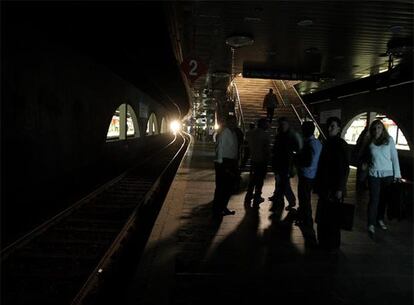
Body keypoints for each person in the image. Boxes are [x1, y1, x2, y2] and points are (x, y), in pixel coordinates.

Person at [314, 116, 349, 251]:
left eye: (332, 126)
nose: (329, 128)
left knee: (332, 217)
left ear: (339, 129)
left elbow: (343, 168)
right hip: (326, 186)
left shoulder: (339, 144)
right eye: (328, 125)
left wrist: (340, 188)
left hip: (333, 187)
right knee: (326, 215)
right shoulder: (327, 142)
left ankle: (332, 243)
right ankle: (325, 241)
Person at [362, 119, 401, 235]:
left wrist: (397, 175)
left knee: (383, 200)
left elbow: (394, 158)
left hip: (388, 175)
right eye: (374, 128)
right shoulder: (369, 142)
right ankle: (371, 224)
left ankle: (379, 219)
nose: (376, 130)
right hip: (374, 174)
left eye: (379, 127)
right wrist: (364, 164)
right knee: (374, 200)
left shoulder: (389, 140)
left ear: (383, 129)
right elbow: (364, 157)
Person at [295, 121, 322, 247]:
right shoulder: (318, 143)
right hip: (314, 175)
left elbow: (308, 162)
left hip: (306, 175)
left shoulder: (309, 144)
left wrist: (297, 159)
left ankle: (307, 222)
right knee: (305, 198)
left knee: (304, 199)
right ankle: (304, 219)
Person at [269, 117, 302, 212]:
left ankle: (290, 201)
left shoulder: (290, 136)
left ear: (287, 125)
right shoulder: (280, 135)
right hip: (280, 163)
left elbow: (296, 150)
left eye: (283, 124)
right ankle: (282, 200)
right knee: (281, 183)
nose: (282, 126)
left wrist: (292, 164)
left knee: (284, 184)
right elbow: (276, 149)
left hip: (285, 164)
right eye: (281, 124)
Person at [212, 116, 239, 216]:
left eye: (235, 122)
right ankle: (217, 209)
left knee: (228, 188)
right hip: (223, 162)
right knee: (221, 188)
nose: (234, 124)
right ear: (228, 123)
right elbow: (219, 147)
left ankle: (223, 207)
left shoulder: (234, 133)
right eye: (232, 122)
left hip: (231, 162)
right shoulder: (224, 133)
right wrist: (221, 164)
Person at [244, 118, 271, 206]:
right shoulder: (265, 135)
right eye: (266, 124)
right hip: (262, 161)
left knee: (252, 180)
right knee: (259, 181)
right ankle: (257, 197)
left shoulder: (251, 133)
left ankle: (248, 196)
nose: (268, 125)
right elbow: (266, 150)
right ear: (263, 124)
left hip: (254, 159)